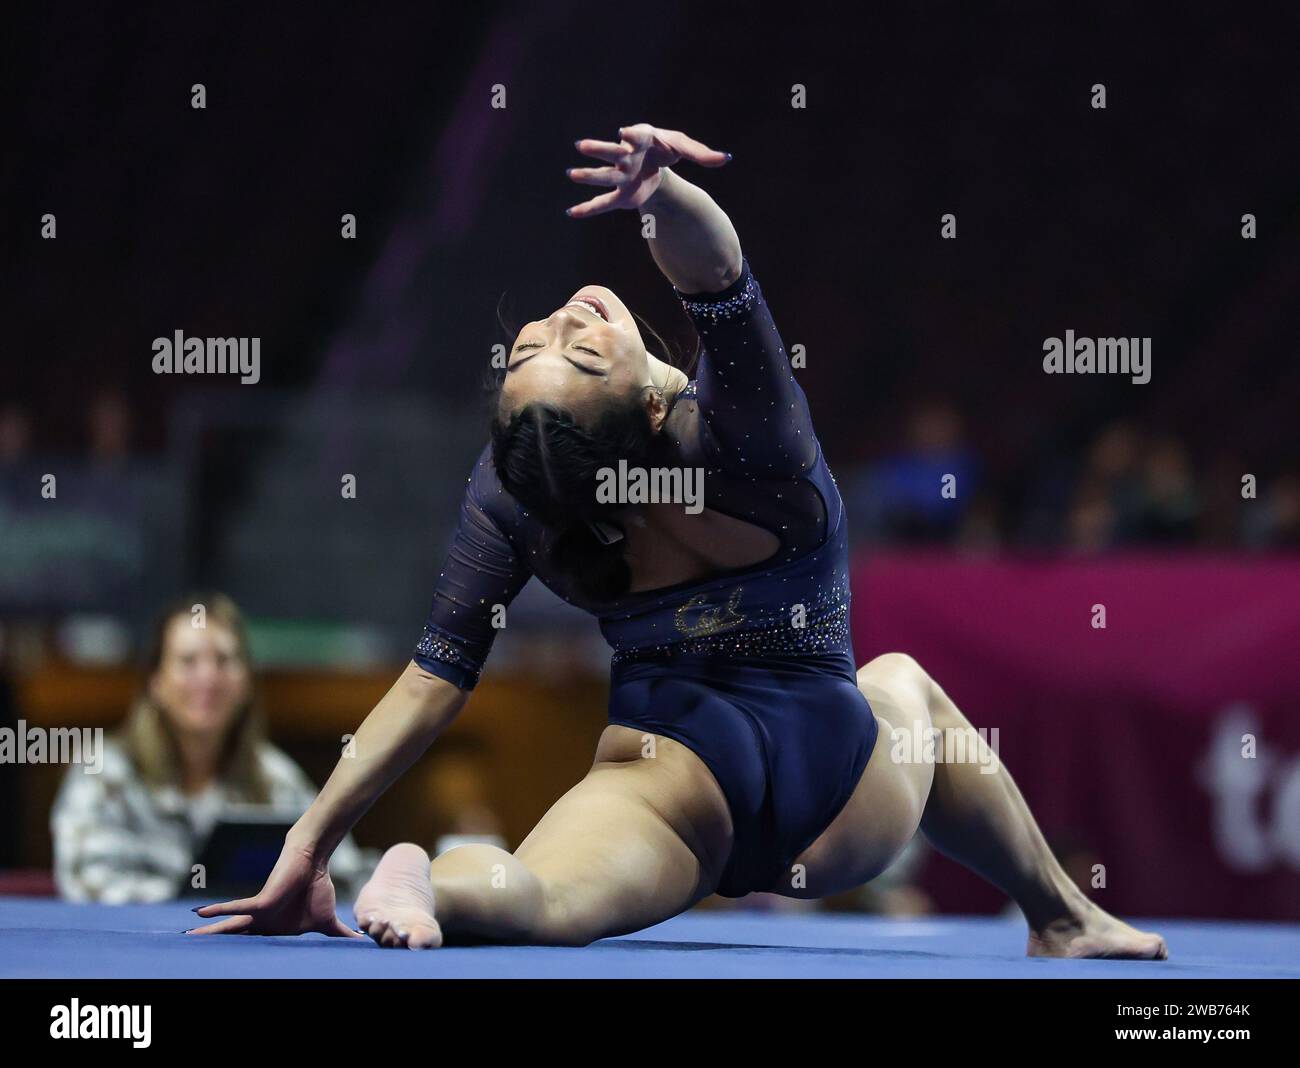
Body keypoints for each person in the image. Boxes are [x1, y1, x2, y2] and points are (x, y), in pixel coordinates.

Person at [193, 124, 1166, 958]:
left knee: (539, 900)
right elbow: (716, 274)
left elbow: (434, 679)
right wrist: (660, 193)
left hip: (660, 782)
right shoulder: (750, 439)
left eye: (543, 344)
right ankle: (1063, 915)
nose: (559, 320)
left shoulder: (521, 485)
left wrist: (314, 844)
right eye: (558, 349)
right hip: (835, 802)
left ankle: (432, 880)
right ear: (655, 406)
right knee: (905, 683)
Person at [52, 593, 369, 903]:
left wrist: (399, 872)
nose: (208, 677)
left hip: (245, 955)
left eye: (224, 661)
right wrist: (207, 907)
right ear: (155, 682)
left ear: (246, 682)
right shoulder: (105, 772)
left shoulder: (273, 776)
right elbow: (88, 884)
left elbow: (341, 874)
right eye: (188, 661)